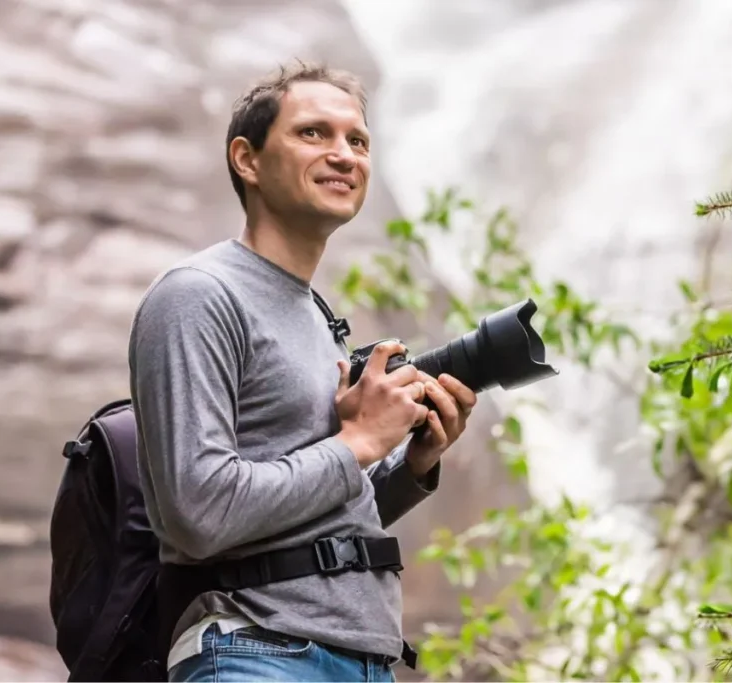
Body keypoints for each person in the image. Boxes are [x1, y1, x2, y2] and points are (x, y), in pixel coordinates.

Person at [128, 60, 477, 683]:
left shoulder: (314, 314)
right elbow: (200, 512)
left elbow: (318, 526)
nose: (344, 154)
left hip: (360, 660)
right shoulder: (198, 295)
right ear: (248, 159)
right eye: (313, 133)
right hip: (255, 652)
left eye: (358, 140)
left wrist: (408, 464)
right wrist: (360, 442)